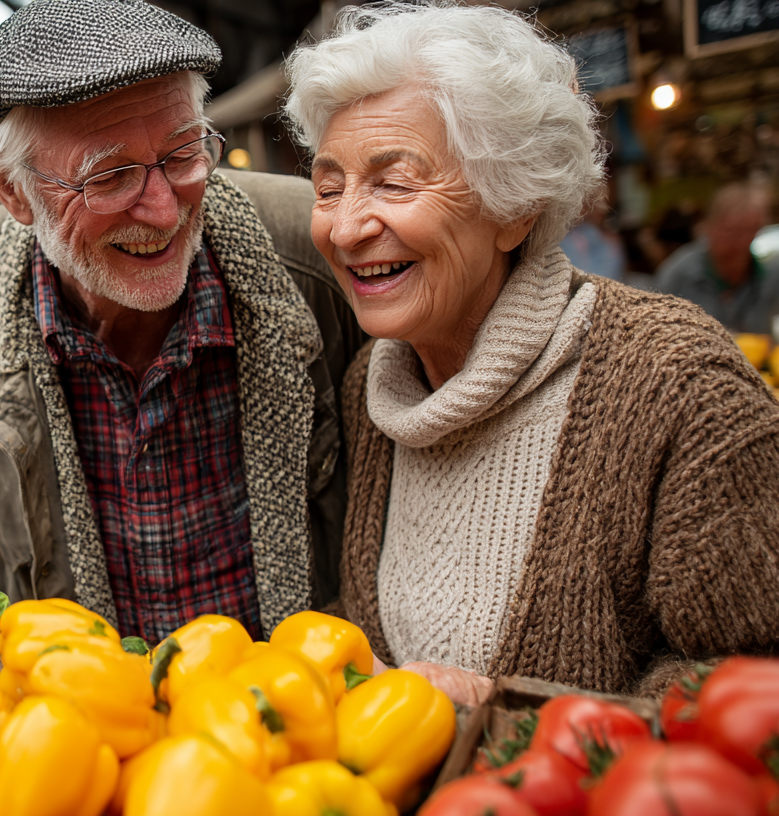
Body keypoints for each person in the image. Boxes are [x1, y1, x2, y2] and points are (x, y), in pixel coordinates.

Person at [284, 2, 779, 704]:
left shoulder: (680, 384)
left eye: (393, 182)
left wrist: (507, 713)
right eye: (329, 188)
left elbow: (752, 686)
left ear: (515, 207)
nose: (343, 228)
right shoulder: (374, 386)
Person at [0, 0, 364, 643]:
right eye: (110, 176)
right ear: (12, 187)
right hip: (77, 692)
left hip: (306, 682)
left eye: (183, 155)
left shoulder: (318, 244)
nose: (163, 211)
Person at [655, 182, 779, 334]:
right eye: (731, 231)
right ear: (708, 226)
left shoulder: (771, 274)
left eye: (750, 231)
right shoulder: (678, 274)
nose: (740, 240)